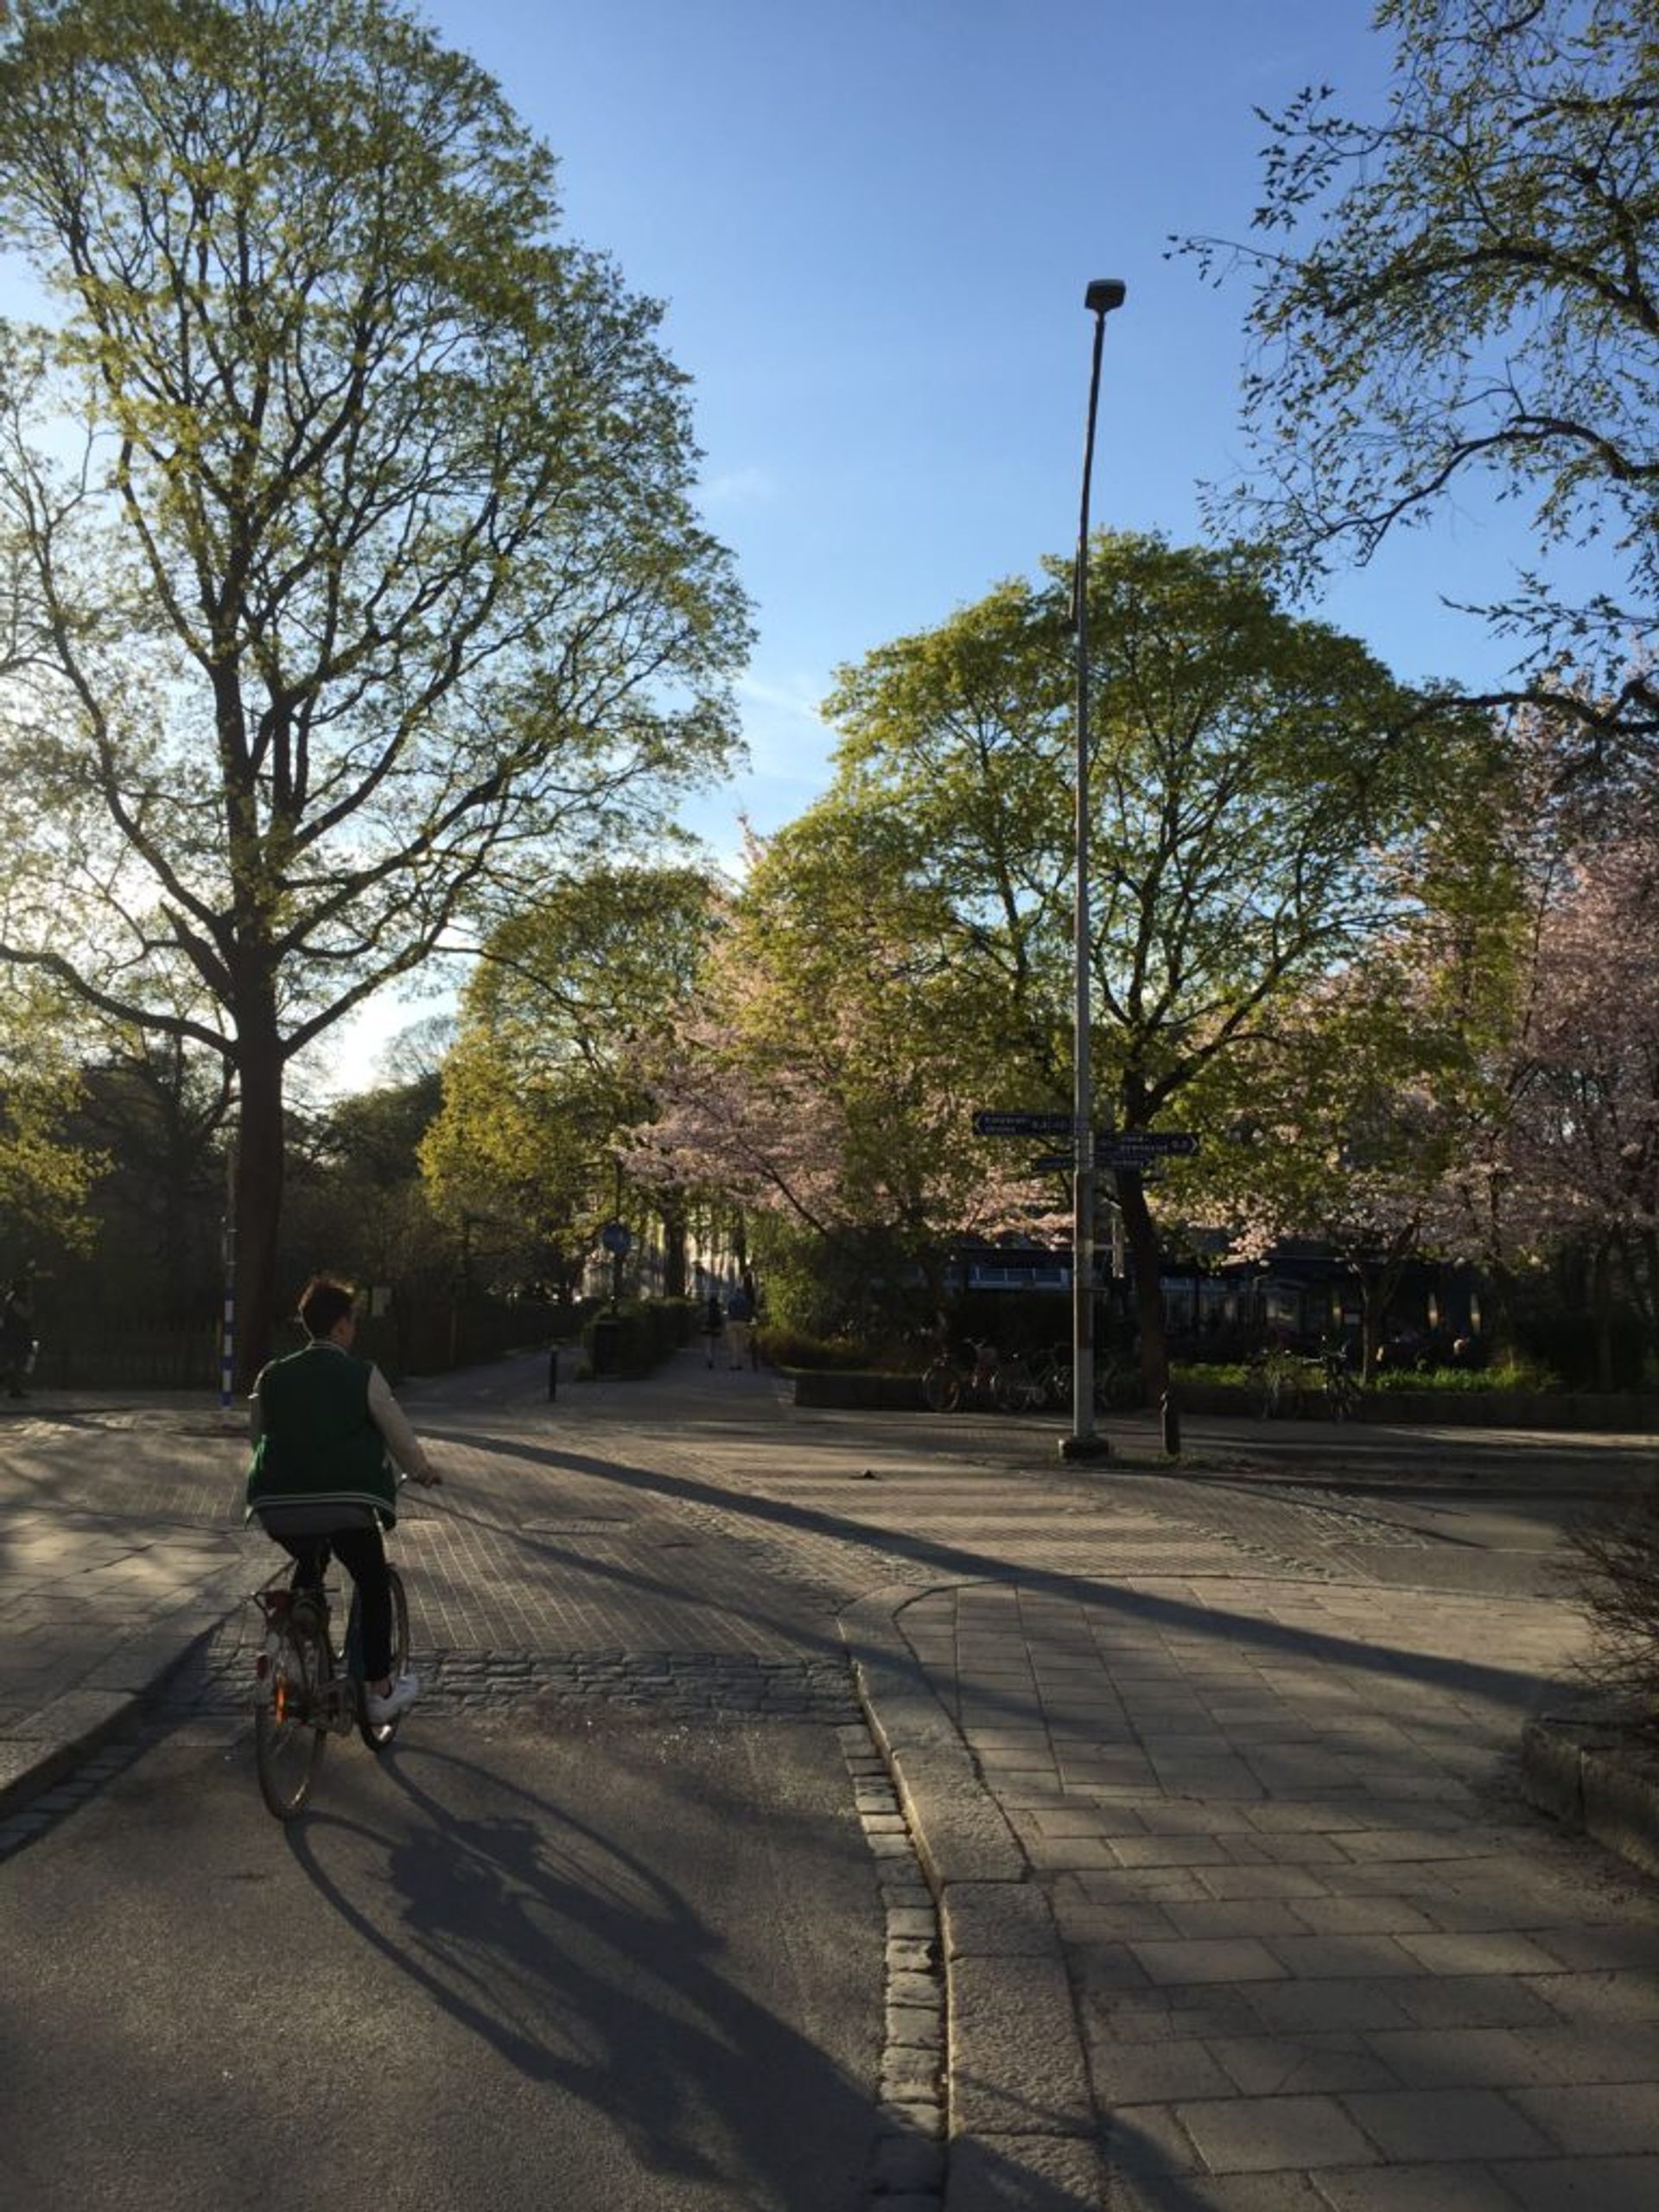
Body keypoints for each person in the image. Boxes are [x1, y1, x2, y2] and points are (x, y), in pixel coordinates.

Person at [245, 1274, 441, 1725]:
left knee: (309, 1563)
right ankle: (379, 1690)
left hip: (276, 1505)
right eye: (351, 1322)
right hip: (344, 1503)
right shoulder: (361, 1375)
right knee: (372, 1581)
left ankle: (295, 1653)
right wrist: (421, 1470)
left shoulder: (271, 1375)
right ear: (338, 1327)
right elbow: (398, 1433)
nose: (354, 1331)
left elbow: (259, 1437)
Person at [1, 1278, 35, 1400]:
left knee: (16, 1362)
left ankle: (12, 1387)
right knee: (17, 1362)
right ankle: (13, 1389)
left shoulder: (13, 1299)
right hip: (15, 1335)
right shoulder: (15, 1300)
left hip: (17, 1335)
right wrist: (30, 1301)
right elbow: (26, 1314)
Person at [724, 1278, 753, 1370]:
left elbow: (728, 1311)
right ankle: (740, 1364)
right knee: (741, 1344)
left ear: (735, 1292)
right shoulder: (746, 1302)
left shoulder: (731, 1300)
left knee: (733, 1345)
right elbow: (749, 1312)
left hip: (732, 1323)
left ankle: (733, 1364)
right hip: (743, 1323)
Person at [700, 1287, 725, 1368]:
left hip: (706, 1327)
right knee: (714, 1345)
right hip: (716, 1328)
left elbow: (699, 1317)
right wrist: (722, 1328)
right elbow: (722, 1319)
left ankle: (709, 1359)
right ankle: (712, 1359)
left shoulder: (706, 1309)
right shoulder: (718, 1309)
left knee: (707, 1345)